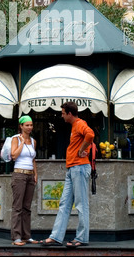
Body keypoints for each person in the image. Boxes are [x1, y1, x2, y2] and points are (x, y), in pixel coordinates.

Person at [41, 101, 94, 247]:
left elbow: (90, 135)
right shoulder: (74, 126)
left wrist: (81, 149)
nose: (62, 116)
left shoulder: (79, 123)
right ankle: (56, 236)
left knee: (81, 204)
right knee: (64, 204)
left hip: (80, 168)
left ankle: (82, 238)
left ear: (69, 113)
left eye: (63, 113)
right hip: (72, 169)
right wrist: (82, 148)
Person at [10, 115, 38, 246]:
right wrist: (22, 142)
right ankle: (16, 237)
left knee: (27, 208)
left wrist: (35, 174)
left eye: (31, 125)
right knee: (18, 207)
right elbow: (14, 156)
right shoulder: (15, 139)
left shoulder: (33, 141)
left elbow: (33, 159)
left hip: (30, 175)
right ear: (21, 126)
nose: (29, 127)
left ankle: (27, 236)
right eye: (27, 125)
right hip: (19, 175)